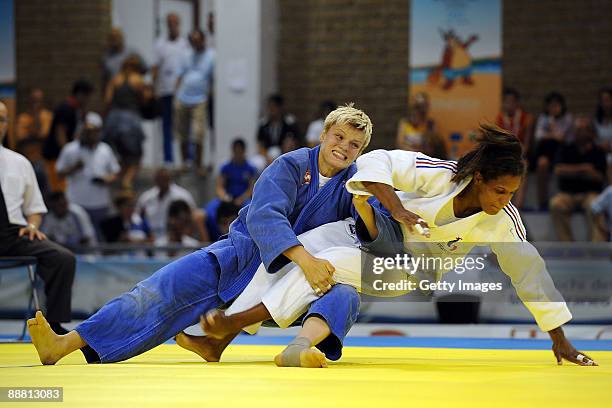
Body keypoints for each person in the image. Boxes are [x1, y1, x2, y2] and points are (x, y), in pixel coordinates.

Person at [195, 124, 597, 367]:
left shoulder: (502, 222)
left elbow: (531, 275)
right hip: (377, 232)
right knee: (299, 247)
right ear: (479, 179)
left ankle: (230, 323)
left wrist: (559, 338)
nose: (505, 200)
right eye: (499, 189)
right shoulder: (442, 176)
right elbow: (379, 161)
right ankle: (222, 337)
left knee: (327, 262)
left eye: (512, 193)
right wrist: (398, 207)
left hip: (406, 271)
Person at [27, 104, 372, 367]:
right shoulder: (292, 165)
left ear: (361, 152)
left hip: (287, 286)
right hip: (238, 259)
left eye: (354, 145)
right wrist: (306, 259)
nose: (343, 147)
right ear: (325, 134)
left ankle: (299, 348)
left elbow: (370, 233)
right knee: (156, 291)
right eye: (338, 137)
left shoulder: (355, 184)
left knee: (345, 293)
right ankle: (64, 344)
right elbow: (265, 216)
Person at [0, 101, 98, 362]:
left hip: (14, 233)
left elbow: (35, 207)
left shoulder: (19, 163)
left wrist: (32, 225)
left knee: (62, 259)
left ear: (7, 125)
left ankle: (54, 327)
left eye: (2, 119)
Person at [55, 112, 120, 241]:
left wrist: (106, 179)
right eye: (87, 130)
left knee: (99, 241)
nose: (90, 134)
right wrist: (74, 168)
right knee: (79, 240)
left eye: (93, 131)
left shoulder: (105, 149)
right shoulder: (70, 149)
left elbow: (115, 172)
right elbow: (59, 174)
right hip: (76, 204)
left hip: (100, 205)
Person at [549, 117, 607, 241]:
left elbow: (599, 177)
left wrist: (571, 172)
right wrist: (584, 169)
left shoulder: (598, 151)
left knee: (595, 205)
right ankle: (567, 246)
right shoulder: (565, 148)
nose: (579, 132)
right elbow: (558, 170)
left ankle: (597, 248)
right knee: (556, 204)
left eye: (583, 129)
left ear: (591, 132)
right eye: (577, 129)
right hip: (568, 195)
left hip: (590, 194)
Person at [104, 55, 149, 189]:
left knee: (122, 155)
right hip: (131, 119)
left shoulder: (115, 80)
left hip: (113, 120)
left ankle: (121, 181)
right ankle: (127, 181)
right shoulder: (138, 80)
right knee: (136, 157)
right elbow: (146, 99)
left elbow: (107, 100)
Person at [174, 29, 215, 171]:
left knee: (198, 133)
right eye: (193, 41)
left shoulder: (211, 55)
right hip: (182, 97)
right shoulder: (186, 55)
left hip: (200, 99)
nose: (195, 44)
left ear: (203, 40)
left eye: (198, 41)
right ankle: (185, 163)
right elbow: (179, 75)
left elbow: (213, 78)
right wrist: (175, 95)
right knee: (182, 132)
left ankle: (198, 164)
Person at [43, 80, 94, 192]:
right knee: (57, 190)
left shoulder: (77, 110)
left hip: (60, 156)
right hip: (55, 156)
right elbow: (60, 133)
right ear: (80, 94)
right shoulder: (66, 109)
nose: (88, 100)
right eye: (87, 96)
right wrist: (68, 154)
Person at [152, 13, 189, 166]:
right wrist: (154, 89)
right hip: (165, 92)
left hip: (183, 94)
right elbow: (155, 67)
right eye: (169, 23)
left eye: (175, 23)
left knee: (183, 127)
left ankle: (187, 159)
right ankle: (168, 159)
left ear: (179, 24)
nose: (172, 26)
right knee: (167, 126)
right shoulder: (160, 44)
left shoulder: (185, 44)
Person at [532, 92, 574, 210]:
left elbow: (563, 138)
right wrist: (554, 133)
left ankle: (569, 199)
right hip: (547, 151)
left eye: (556, 105)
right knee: (542, 163)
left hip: (564, 152)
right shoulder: (544, 118)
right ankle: (542, 201)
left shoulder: (567, 118)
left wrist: (551, 131)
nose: (554, 108)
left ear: (562, 106)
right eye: (551, 106)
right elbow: (539, 136)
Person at [495, 88, 534, 208]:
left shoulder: (527, 118)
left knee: (523, 165)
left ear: (517, 103)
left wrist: (518, 154)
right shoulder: (500, 118)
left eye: (511, 102)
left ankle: (518, 206)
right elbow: (499, 142)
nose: (508, 105)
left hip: (521, 155)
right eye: (506, 102)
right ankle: (499, 203)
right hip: (505, 154)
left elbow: (527, 144)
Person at [135, 168, 199, 238]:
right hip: (151, 239)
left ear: (169, 179)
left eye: (164, 179)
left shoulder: (182, 195)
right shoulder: (146, 197)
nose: (161, 182)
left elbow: (193, 218)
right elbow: (138, 218)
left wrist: (184, 238)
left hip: (174, 239)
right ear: (155, 180)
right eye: (159, 179)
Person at [215, 138, 257, 206]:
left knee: (251, 208)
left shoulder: (250, 169)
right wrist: (224, 196)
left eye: (240, 151)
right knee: (211, 209)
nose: (237, 154)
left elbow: (252, 189)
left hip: (244, 199)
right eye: (236, 151)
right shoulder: (225, 168)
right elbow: (219, 187)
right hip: (228, 197)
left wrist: (242, 198)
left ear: (244, 151)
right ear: (232, 151)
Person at [102, 27, 146, 91]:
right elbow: (105, 79)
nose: (115, 39)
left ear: (122, 38)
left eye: (117, 36)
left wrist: (134, 78)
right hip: (115, 93)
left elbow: (145, 69)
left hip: (132, 92)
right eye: (112, 37)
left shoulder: (132, 52)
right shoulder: (106, 57)